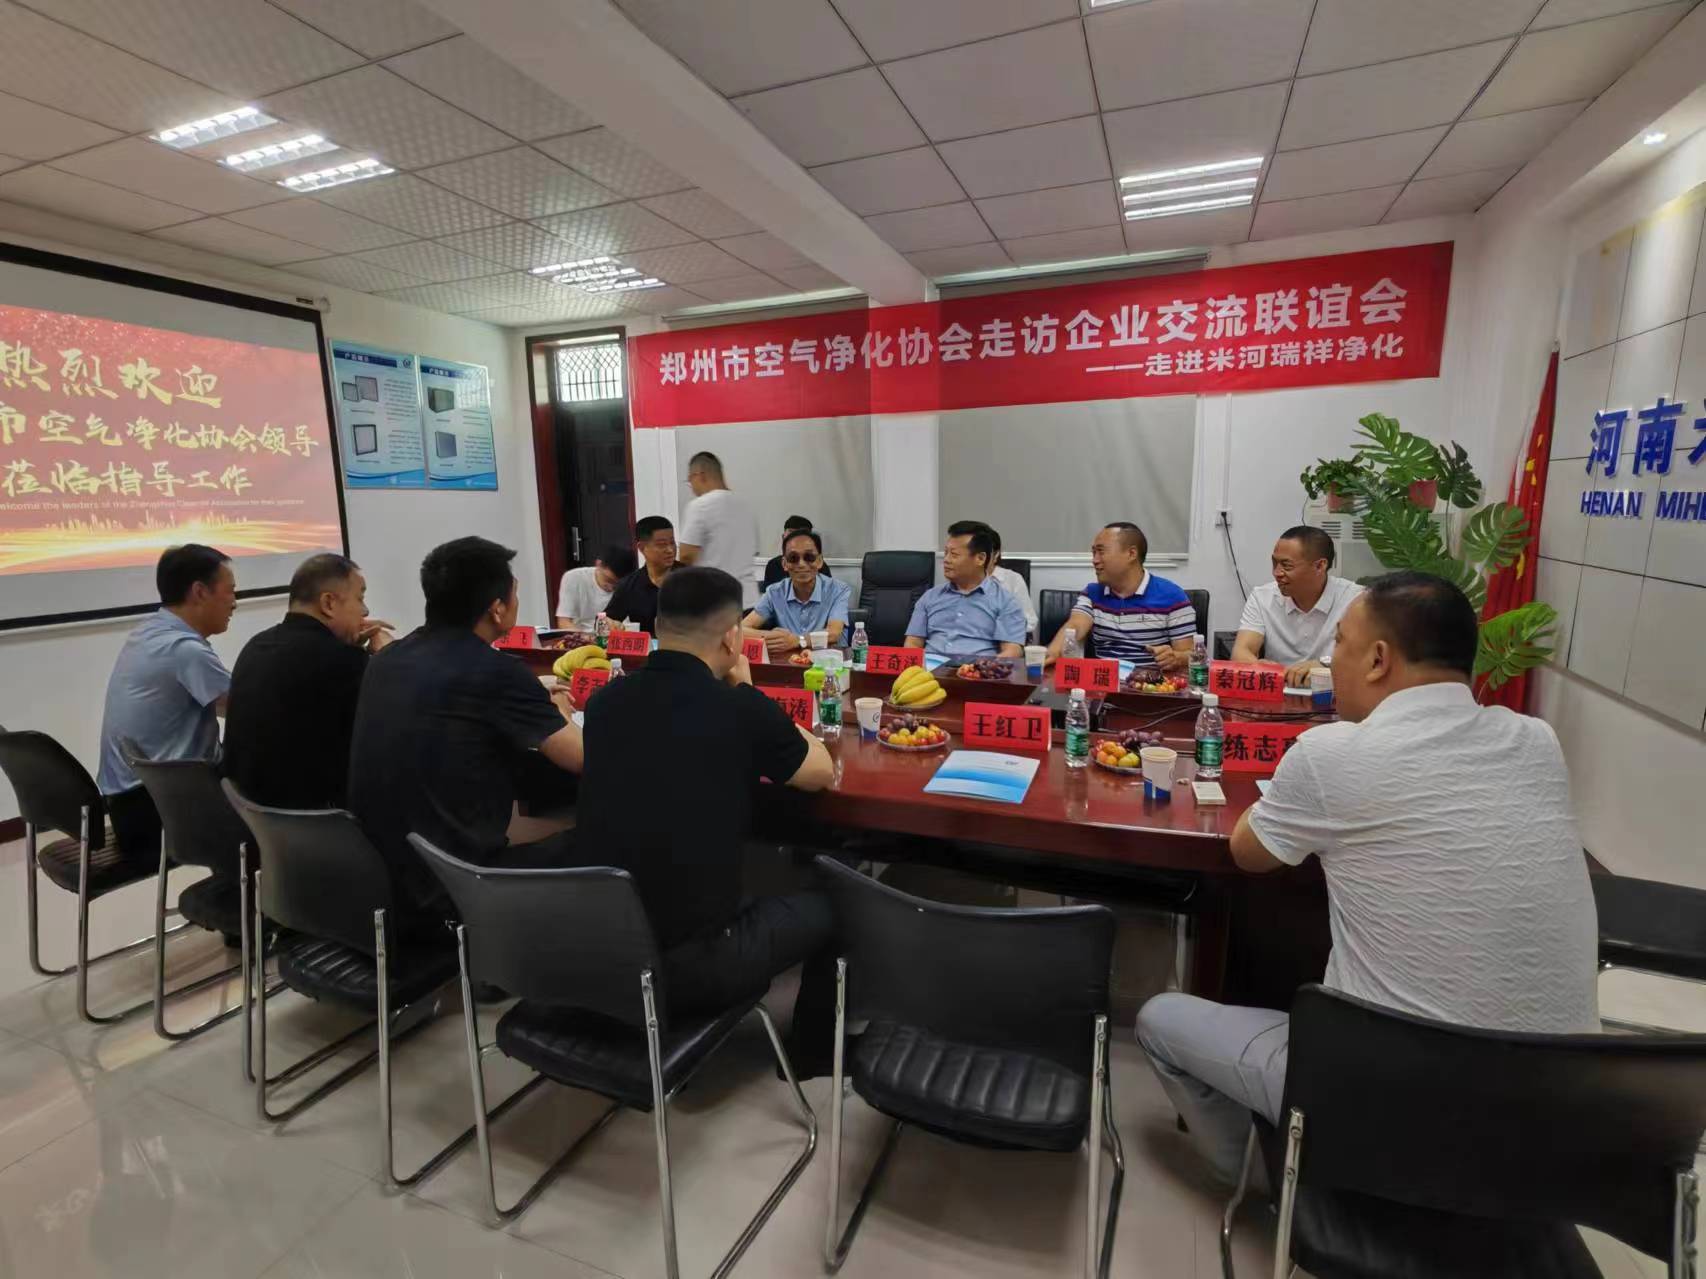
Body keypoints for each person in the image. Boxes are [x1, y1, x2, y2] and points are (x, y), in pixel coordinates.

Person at [1136, 572, 1598, 1184]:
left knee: (1159, 1019)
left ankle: (1279, 1182)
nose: (1332, 661)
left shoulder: (1332, 752)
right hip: (1563, 1123)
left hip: (1389, 1106)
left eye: (1339, 645)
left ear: (1378, 660)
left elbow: (1248, 853)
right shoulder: (1537, 741)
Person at [575, 566, 835, 1062]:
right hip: (692, 968)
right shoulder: (736, 707)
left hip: (599, 951)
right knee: (836, 902)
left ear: (657, 627)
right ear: (733, 637)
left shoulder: (606, 702)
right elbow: (819, 772)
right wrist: (750, 692)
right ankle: (812, 1052)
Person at [347, 536, 583, 926]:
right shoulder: (496, 671)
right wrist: (560, 711)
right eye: (515, 593)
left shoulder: (388, 659)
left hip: (380, 882)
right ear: (496, 608)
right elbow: (582, 758)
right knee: (598, 840)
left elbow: (455, 694)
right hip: (456, 886)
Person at [97, 544, 236, 863]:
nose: (234, 602)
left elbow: (224, 703)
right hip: (157, 812)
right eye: (230, 591)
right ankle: (248, 888)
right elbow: (247, 708)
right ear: (199, 592)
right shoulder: (184, 649)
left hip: (129, 805)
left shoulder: (149, 632)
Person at [223, 553, 392, 810]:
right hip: (321, 821)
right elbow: (396, 723)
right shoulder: (342, 661)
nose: (365, 611)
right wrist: (387, 657)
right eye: (360, 599)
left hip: (257, 818)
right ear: (329, 603)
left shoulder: (256, 645)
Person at [1045, 523, 1195, 670]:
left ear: (1131, 554)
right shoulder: (1092, 593)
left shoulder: (1172, 596)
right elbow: (1075, 626)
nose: (1095, 560)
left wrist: (1176, 658)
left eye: (1101, 552)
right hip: (1104, 680)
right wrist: (1052, 652)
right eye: (1094, 553)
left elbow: (1191, 654)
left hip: (1151, 682)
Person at [1232, 525, 1364, 686]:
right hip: (1280, 692)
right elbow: (1241, 652)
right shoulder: (1262, 597)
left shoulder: (1355, 600)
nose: (1277, 573)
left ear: (1320, 566)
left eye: (1286, 565)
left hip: (1334, 694)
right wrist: (1258, 666)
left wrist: (1327, 666)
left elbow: (1368, 660)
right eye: (1274, 563)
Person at [904, 521, 1027, 659]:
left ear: (980, 559)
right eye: (946, 553)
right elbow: (913, 643)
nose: (946, 560)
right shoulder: (930, 597)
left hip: (977, 670)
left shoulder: (1006, 602)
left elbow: (1012, 651)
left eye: (954, 554)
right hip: (930, 669)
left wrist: (988, 668)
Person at [743, 528, 853, 654]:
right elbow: (742, 629)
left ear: (819, 561)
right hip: (789, 661)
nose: (801, 564)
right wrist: (774, 637)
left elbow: (833, 634)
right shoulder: (774, 592)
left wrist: (798, 641)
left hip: (828, 661)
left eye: (809, 557)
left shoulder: (838, 590)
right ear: (784, 564)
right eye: (793, 558)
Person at [677, 451, 757, 606]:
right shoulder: (746, 506)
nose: (692, 488)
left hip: (715, 602)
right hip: (748, 599)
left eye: (690, 481)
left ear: (700, 476)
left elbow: (686, 557)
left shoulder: (700, 506)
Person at [604, 516, 675, 635]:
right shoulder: (628, 586)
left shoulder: (691, 578)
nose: (670, 550)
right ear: (642, 548)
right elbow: (605, 619)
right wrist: (610, 623)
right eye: (662, 545)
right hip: (648, 646)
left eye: (672, 543)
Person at [554, 543, 637, 627]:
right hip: (580, 632)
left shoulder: (631, 584)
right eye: (608, 580)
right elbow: (564, 622)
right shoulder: (574, 578)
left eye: (618, 584)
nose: (611, 587)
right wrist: (582, 635)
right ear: (598, 564)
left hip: (614, 633)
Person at [983, 524, 1037, 639]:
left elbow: (1030, 621)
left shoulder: (1012, 579)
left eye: (982, 554)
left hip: (1005, 640)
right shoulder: (960, 580)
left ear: (996, 554)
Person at [762, 515, 834, 588]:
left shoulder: (819, 565)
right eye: (790, 536)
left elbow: (828, 590)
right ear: (783, 538)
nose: (801, 564)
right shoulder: (773, 565)